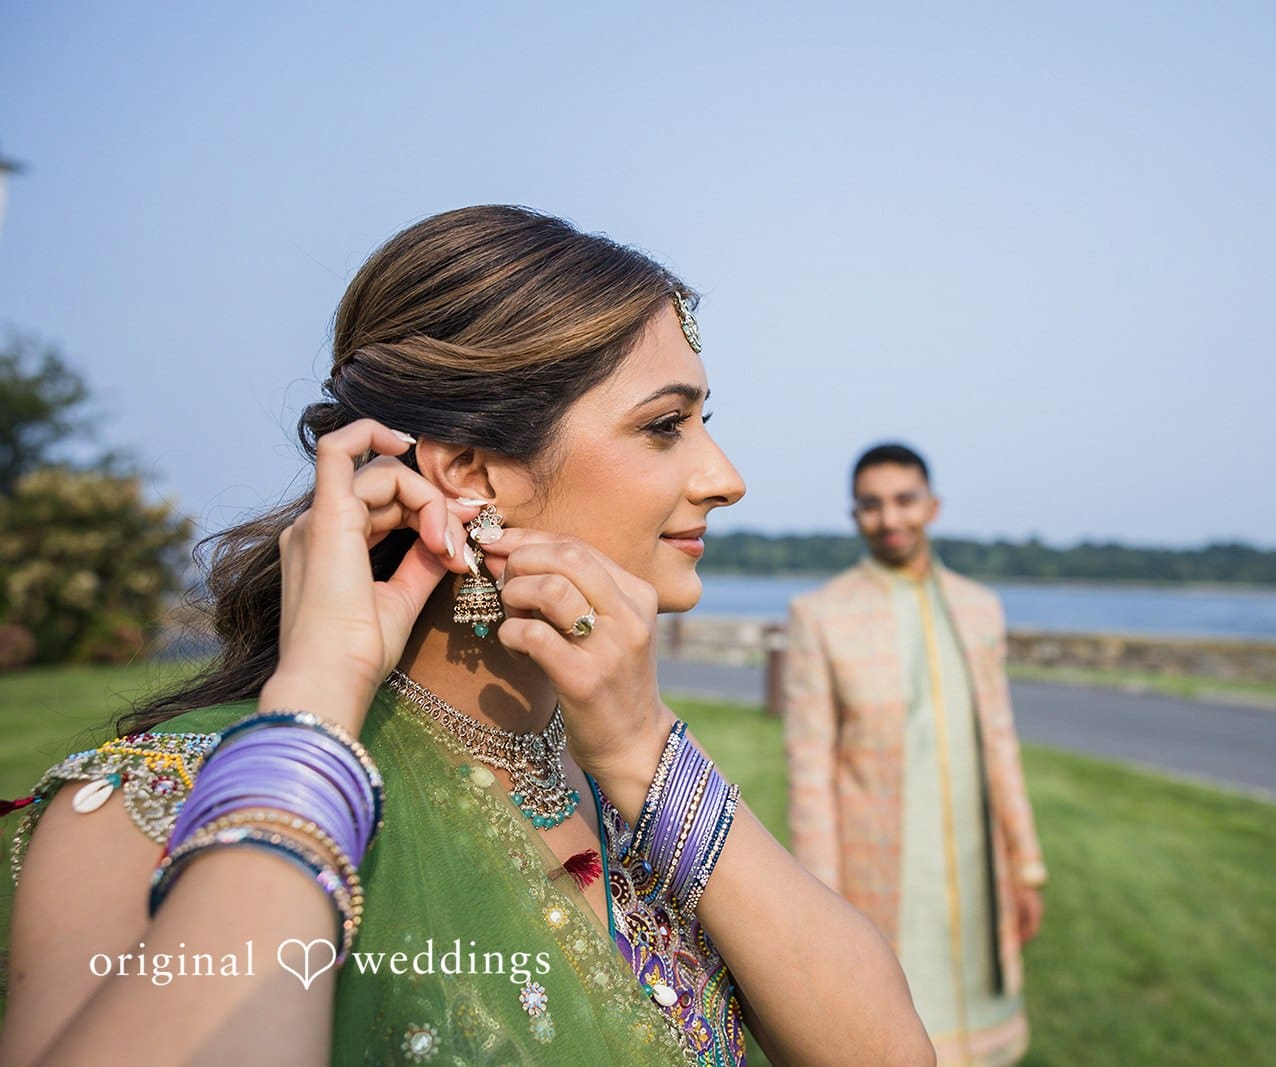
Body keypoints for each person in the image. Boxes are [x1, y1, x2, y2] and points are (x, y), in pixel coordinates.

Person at [0, 207, 934, 1067]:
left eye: (705, 423)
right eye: (665, 426)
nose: (725, 476)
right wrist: (316, 704)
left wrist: (642, 746)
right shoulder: (148, 810)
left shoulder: (616, 776)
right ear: (470, 471)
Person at [780, 444, 1048, 1067]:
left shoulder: (980, 608)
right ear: (855, 516)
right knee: (892, 1031)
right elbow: (809, 770)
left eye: (904, 500)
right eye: (871, 505)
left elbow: (1001, 742)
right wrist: (826, 902)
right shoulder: (821, 616)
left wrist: (1026, 864)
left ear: (932, 506)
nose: (890, 518)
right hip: (879, 864)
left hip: (978, 862)